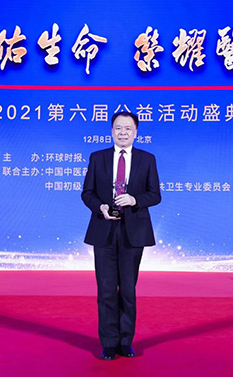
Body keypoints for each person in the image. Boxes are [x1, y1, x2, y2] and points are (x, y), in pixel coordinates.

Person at [81, 111, 161, 360]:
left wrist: (135, 200)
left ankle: (125, 342)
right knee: (106, 289)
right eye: (118, 128)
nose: (123, 132)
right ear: (111, 131)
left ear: (136, 132)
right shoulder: (98, 158)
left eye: (128, 128)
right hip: (103, 230)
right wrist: (101, 207)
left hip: (133, 232)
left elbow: (155, 195)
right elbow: (87, 193)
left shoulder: (147, 159)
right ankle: (108, 342)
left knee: (127, 288)